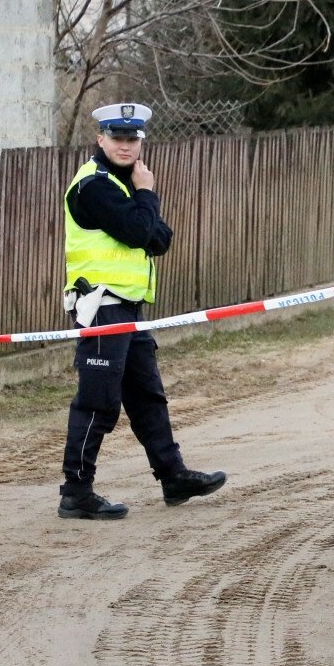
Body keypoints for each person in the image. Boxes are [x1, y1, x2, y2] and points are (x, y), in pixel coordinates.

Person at [58, 102, 226, 519]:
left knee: (148, 395)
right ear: (100, 139)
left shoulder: (123, 184)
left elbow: (160, 238)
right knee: (97, 402)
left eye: (132, 139)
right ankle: (76, 492)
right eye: (117, 137)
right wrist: (148, 194)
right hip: (101, 307)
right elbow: (138, 230)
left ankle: (173, 476)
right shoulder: (95, 185)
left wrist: (143, 210)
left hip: (128, 309)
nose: (125, 145)